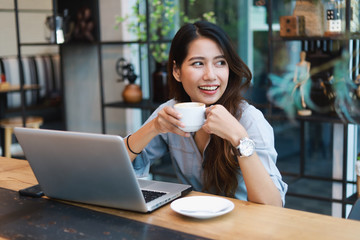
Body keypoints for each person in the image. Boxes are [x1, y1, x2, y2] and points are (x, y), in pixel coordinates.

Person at [125, 21, 287, 207]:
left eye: (220, 63)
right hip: (190, 225)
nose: (210, 75)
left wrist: (239, 138)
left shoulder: (249, 119)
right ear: (177, 71)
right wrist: (153, 128)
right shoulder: (171, 112)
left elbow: (273, 206)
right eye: (198, 63)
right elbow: (117, 170)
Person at [293, 51, 312, 116]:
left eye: (303, 55)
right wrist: (295, 80)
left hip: (305, 80)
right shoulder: (297, 65)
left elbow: (307, 74)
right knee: (294, 89)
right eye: (301, 55)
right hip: (299, 80)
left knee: (302, 88)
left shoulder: (307, 64)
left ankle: (303, 101)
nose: (302, 56)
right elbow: (295, 75)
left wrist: (304, 80)